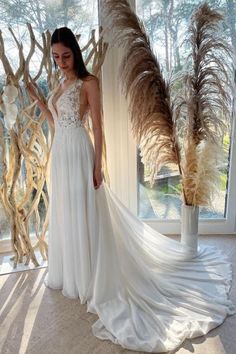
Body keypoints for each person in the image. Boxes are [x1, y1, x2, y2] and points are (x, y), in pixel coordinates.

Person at [27, 27, 235, 353]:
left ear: (75, 53)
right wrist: (42, 102)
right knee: (68, 213)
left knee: (86, 213)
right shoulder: (59, 84)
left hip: (80, 154)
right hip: (60, 156)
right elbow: (56, 123)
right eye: (55, 57)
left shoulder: (88, 83)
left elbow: (97, 126)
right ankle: (74, 274)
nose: (61, 63)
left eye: (66, 56)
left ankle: (92, 277)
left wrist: (98, 166)